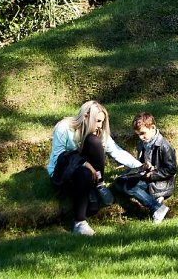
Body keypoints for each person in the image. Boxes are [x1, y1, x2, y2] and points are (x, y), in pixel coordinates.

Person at [47, 101, 143, 236]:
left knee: (94, 142)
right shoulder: (64, 128)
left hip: (86, 173)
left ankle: (99, 184)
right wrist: (84, 163)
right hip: (62, 173)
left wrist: (140, 167)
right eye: (97, 121)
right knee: (84, 174)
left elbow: (116, 151)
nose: (99, 125)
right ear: (86, 116)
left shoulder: (98, 131)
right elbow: (60, 158)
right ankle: (80, 223)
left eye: (101, 122)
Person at [116, 111, 176, 224]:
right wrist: (132, 169)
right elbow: (141, 164)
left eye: (143, 133)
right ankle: (151, 205)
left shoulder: (164, 146)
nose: (141, 137)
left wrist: (152, 174)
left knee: (128, 186)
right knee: (119, 183)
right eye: (138, 134)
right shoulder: (143, 144)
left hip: (160, 182)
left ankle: (156, 207)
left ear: (152, 128)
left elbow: (171, 169)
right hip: (146, 177)